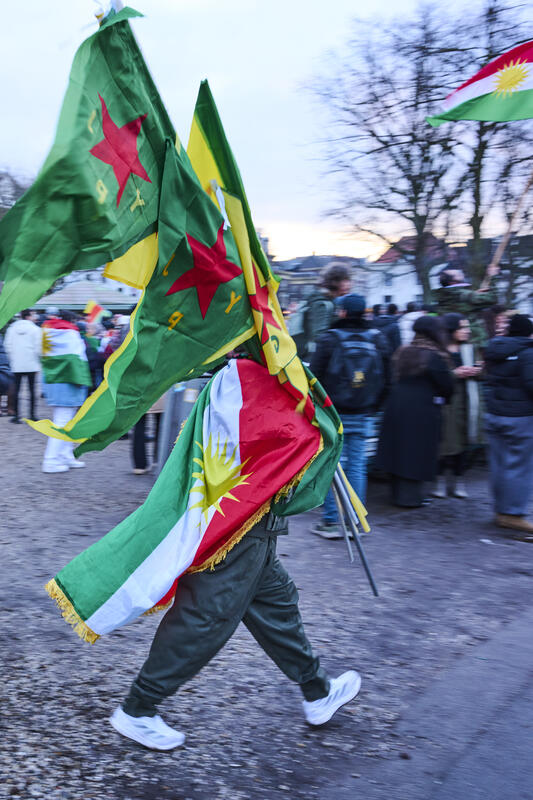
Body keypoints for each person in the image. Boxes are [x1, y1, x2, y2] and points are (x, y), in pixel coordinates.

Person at [110, 495, 362, 750]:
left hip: (254, 518)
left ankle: (318, 690)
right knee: (205, 618)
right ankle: (138, 708)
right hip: (239, 515)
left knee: (276, 602)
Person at [309, 293, 389, 536]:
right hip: (364, 411)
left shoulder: (329, 339)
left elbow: (314, 377)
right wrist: (375, 406)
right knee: (357, 465)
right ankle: (355, 519)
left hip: (334, 412)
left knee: (335, 465)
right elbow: (388, 377)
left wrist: (319, 409)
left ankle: (333, 522)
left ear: (342, 312)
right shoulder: (377, 338)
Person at [375, 316, 454, 508]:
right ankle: (411, 498)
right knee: (417, 452)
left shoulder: (403, 352)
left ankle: (397, 494)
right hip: (423, 409)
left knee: (399, 449)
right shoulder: (435, 356)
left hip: (396, 405)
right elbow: (447, 386)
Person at [483, 314, 533, 538]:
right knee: (519, 467)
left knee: (500, 465)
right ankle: (512, 514)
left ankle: (501, 511)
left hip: (495, 415)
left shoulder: (494, 349)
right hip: (520, 417)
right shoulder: (528, 352)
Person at [433, 313, 482, 499]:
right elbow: (436, 375)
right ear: (452, 329)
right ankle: (439, 481)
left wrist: (477, 370)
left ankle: (459, 480)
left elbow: (482, 371)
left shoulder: (469, 348)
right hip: (445, 403)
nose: (467, 331)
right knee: (443, 444)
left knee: (462, 443)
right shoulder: (440, 350)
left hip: (466, 403)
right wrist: (455, 373)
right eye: (463, 327)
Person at [41, 310, 91, 473]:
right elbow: (79, 361)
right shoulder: (71, 334)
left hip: (53, 382)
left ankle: (65, 456)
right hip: (69, 381)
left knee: (65, 421)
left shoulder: (46, 332)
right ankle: (51, 461)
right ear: (72, 320)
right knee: (62, 422)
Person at [289, 263, 352, 360]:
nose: (350, 284)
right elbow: (319, 335)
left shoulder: (329, 301)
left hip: (311, 355)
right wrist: (340, 320)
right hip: (311, 357)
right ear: (335, 281)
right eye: (346, 280)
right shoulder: (322, 303)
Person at [434, 266, 498, 353]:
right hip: (473, 342)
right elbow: (493, 298)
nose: (461, 273)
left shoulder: (442, 297)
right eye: (457, 274)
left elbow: (465, 305)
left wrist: (475, 295)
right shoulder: (466, 295)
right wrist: (493, 276)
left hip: (451, 343)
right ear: (452, 282)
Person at [4, 309, 42, 423]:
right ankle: (32, 415)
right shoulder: (35, 329)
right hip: (32, 363)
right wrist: (38, 360)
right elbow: (38, 347)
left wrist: (12, 359)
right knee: (32, 390)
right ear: (29, 316)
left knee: (16, 390)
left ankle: (16, 416)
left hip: (16, 363)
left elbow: (7, 346)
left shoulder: (12, 329)